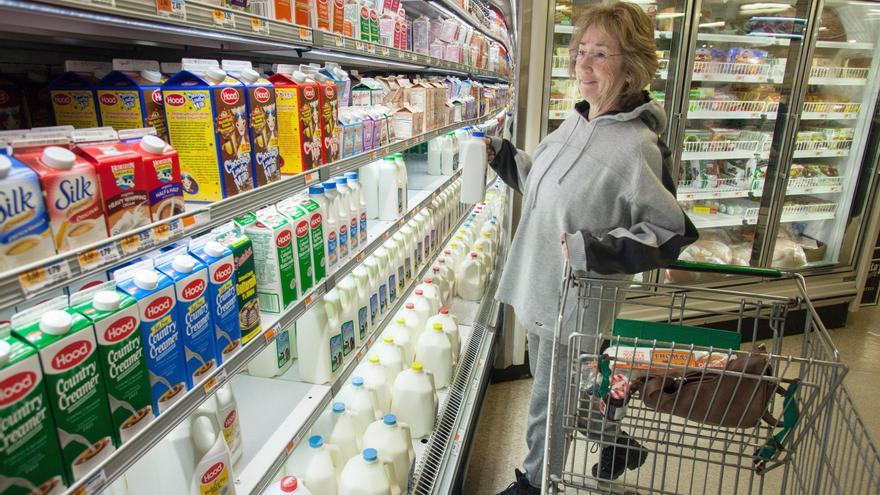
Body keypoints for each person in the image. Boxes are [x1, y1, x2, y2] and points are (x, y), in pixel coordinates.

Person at [490, 3, 698, 494]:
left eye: (600, 53)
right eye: (580, 50)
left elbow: (672, 233)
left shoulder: (637, 148)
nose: (583, 64)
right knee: (567, 388)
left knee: (548, 398)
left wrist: (595, 250)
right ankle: (619, 444)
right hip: (540, 284)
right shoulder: (576, 121)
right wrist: (502, 157)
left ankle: (534, 482)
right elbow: (545, 188)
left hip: (576, 301)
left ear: (632, 66)